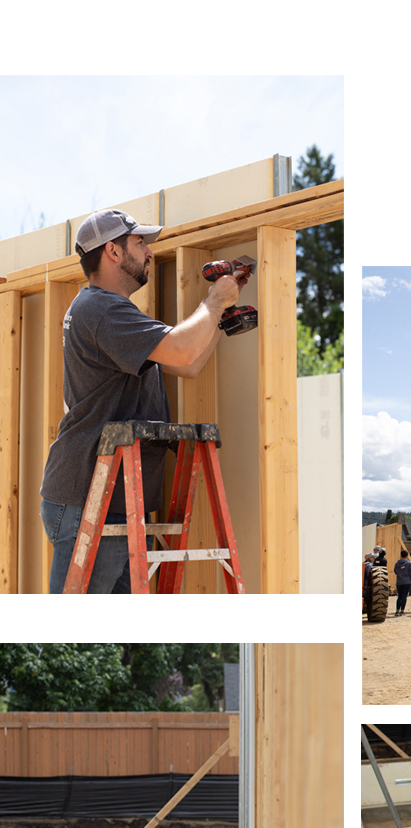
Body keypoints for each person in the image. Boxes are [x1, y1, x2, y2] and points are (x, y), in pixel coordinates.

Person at [39, 209, 246, 594]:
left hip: (113, 501)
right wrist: (214, 301)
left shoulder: (109, 310)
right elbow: (183, 352)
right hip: (90, 499)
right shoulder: (101, 309)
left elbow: (188, 365)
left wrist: (219, 315)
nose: (149, 252)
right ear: (113, 252)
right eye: (140, 243)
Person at [392, 549, 411, 617]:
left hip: (399, 581)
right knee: (404, 596)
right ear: (407, 555)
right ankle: (402, 610)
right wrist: (410, 578)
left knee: (399, 596)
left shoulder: (397, 563)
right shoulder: (409, 563)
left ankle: (397, 610)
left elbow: (395, 571)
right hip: (407, 581)